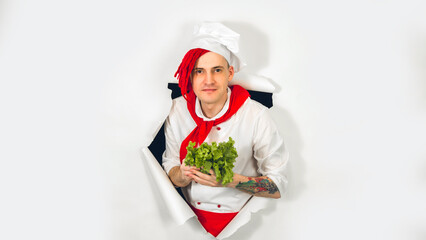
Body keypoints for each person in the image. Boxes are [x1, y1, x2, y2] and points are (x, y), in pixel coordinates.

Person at [162, 22, 288, 237]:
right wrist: (182, 175)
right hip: (186, 219)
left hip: (242, 221)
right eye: (199, 71)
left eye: (217, 70)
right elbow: (170, 167)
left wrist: (230, 180)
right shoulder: (177, 110)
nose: (208, 81)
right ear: (190, 76)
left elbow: (277, 185)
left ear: (230, 73)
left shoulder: (255, 115)